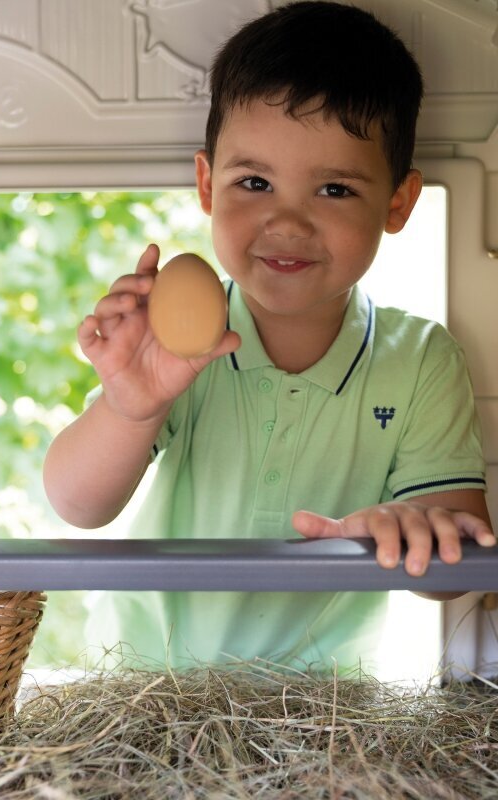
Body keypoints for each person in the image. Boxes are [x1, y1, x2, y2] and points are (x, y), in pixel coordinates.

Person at [43, 1, 494, 671]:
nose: (287, 222)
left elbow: (461, 562)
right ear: (206, 184)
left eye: (334, 190)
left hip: (331, 713)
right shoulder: (179, 346)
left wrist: (417, 531)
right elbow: (76, 504)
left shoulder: (421, 360)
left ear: (397, 203)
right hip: (147, 690)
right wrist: (130, 405)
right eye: (254, 182)